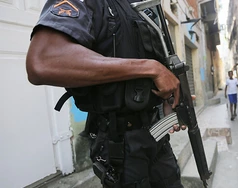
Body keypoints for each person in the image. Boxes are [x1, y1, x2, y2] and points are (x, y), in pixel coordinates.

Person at [26, 0, 185, 187]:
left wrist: (166, 98)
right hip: (119, 142)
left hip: (155, 136)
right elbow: (43, 61)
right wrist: (152, 68)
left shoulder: (140, 9)